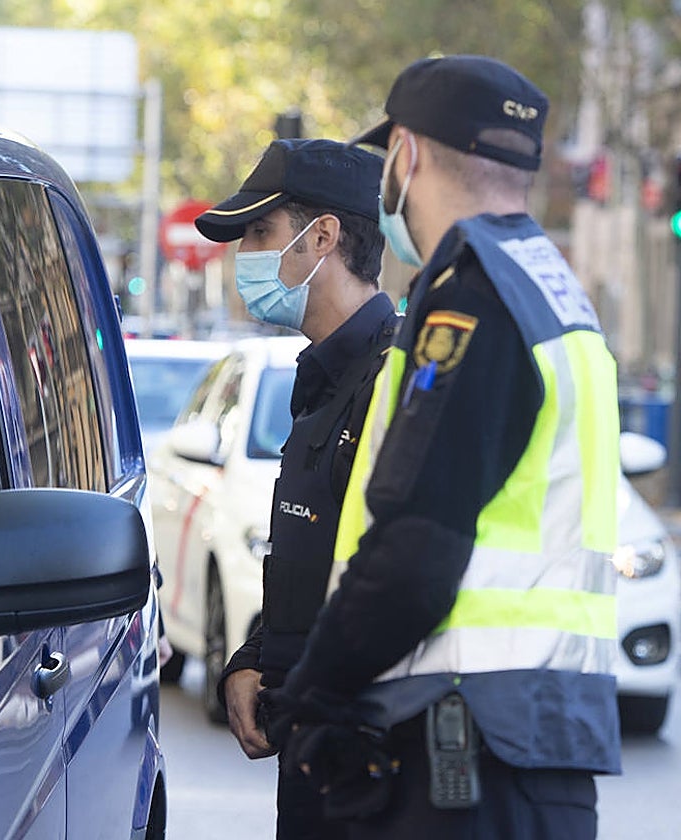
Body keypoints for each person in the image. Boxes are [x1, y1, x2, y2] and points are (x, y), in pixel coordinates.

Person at [257, 55, 621, 839]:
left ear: (407, 155)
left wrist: (312, 691)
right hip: (537, 732)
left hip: (465, 739)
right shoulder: (552, 287)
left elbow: (418, 544)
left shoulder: (473, 296)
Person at [194, 137, 397, 840]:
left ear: (324, 238)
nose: (243, 254)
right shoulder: (322, 381)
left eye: (259, 232)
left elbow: (390, 575)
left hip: (369, 755)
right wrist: (253, 662)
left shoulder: (393, 381)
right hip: (316, 740)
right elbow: (314, 567)